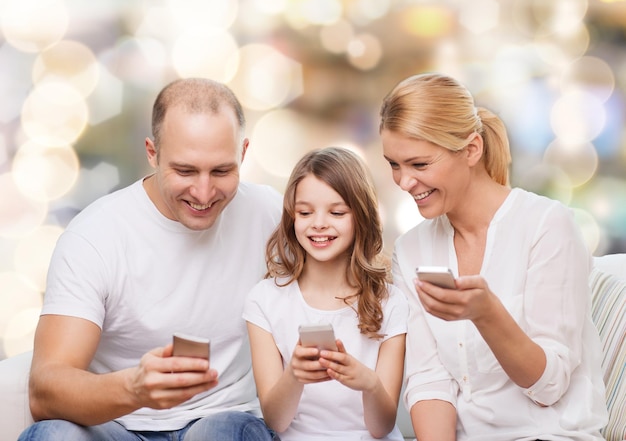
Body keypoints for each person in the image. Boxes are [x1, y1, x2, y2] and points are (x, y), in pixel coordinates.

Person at [19, 78, 283, 441]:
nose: (204, 193)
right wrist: (135, 389)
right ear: (152, 153)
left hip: (222, 421)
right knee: (51, 435)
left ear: (243, 153)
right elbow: (45, 390)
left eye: (222, 171)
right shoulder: (95, 236)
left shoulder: (269, 213)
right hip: (117, 427)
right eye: (185, 171)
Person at [379, 72, 608, 441]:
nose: (404, 182)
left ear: (471, 149)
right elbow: (429, 382)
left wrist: (487, 314)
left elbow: (549, 386)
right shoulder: (411, 250)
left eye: (419, 165)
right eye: (394, 164)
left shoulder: (547, 226)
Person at [243, 146, 409, 441]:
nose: (319, 223)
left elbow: (381, 427)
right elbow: (276, 421)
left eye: (336, 212)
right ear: (292, 217)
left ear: (360, 216)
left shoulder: (390, 301)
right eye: (305, 212)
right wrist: (294, 374)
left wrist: (368, 383)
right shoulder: (265, 300)